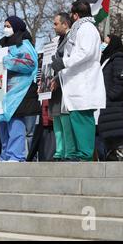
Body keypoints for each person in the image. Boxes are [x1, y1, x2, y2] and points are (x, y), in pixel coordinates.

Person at [51, 1, 106, 162]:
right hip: (76, 83)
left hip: (84, 83)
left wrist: (64, 62)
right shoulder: (80, 29)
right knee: (77, 117)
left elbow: (85, 52)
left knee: (82, 119)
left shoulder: (87, 29)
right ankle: (81, 153)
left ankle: (85, 154)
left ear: (76, 15)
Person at [0, 16, 40, 162]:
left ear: (16, 27)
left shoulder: (24, 44)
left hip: (20, 91)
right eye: (4, 25)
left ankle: (16, 155)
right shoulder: (5, 45)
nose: (5, 29)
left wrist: (5, 61)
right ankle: (5, 155)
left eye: (8, 26)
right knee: (3, 124)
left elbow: (29, 64)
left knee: (15, 124)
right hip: (3, 92)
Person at [97, 35, 123, 161]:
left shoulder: (118, 58)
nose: (103, 44)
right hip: (105, 107)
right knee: (108, 142)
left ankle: (121, 165)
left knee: (117, 140)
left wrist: (110, 95)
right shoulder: (105, 59)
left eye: (106, 42)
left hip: (113, 107)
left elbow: (120, 82)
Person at [48, 13, 75, 161]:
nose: (54, 26)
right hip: (54, 84)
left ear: (65, 24)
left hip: (65, 83)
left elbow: (69, 61)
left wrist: (58, 78)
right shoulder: (56, 41)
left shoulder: (71, 39)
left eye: (56, 23)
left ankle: (68, 150)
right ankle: (59, 150)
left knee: (65, 118)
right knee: (56, 118)